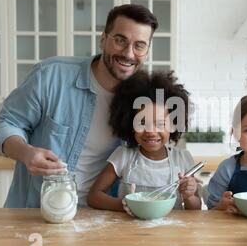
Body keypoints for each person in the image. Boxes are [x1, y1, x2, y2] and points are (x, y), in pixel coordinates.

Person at [0, 4, 159, 207]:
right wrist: (27, 153)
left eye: (139, 45)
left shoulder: (143, 100)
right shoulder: (51, 75)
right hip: (38, 214)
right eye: (120, 40)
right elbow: (7, 123)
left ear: (147, 50)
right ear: (103, 39)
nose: (128, 53)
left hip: (102, 220)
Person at [87, 70, 202, 212]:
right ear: (129, 123)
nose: (151, 132)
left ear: (173, 125)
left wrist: (189, 196)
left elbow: (196, 208)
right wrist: (123, 206)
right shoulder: (123, 156)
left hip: (171, 232)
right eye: (142, 122)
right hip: (128, 231)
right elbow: (93, 196)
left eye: (160, 124)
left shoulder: (182, 158)